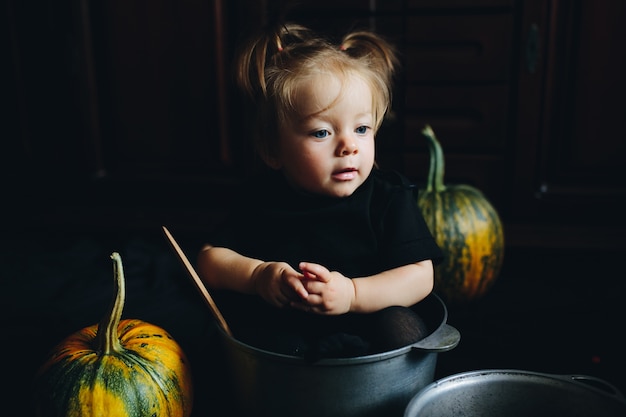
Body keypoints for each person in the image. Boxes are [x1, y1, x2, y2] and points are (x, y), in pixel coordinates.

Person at [197, 23, 443, 360]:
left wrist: (353, 294)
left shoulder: (389, 197)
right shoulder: (263, 197)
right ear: (273, 149)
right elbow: (209, 261)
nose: (348, 146)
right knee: (249, 334)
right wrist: (258, 275)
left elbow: (420, 277)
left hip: (367, 324)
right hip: (288, 330)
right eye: (322, 133)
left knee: (402, 325)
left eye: (361, 128)